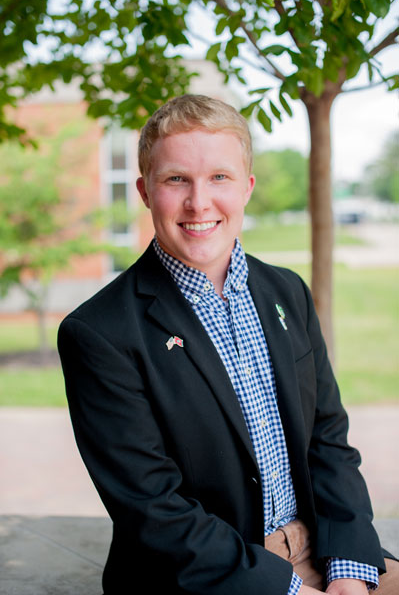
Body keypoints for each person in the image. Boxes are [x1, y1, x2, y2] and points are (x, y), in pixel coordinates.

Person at [58, 94, 397, 595]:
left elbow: (328, 440)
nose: (199, 202)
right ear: (146, 191)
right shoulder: (100, 333)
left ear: (248, 188)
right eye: (177, 179)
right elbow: (155, 509)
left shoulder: (287, 292)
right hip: (210, 577)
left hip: (319, 548)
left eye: (219, 177)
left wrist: (347, 569)